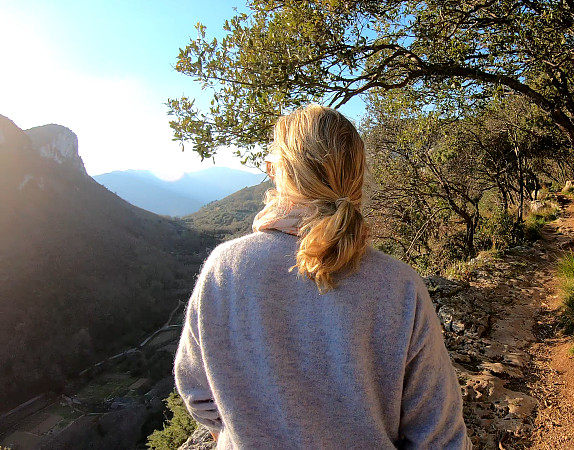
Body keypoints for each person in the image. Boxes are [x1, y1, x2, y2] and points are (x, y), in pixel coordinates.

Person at [174, 103, 471, 449]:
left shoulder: (225, 269)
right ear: (356, 177)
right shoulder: (401, 287)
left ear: (280, 174)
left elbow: (197, 393)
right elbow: (441, 437)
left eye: (270, 166)